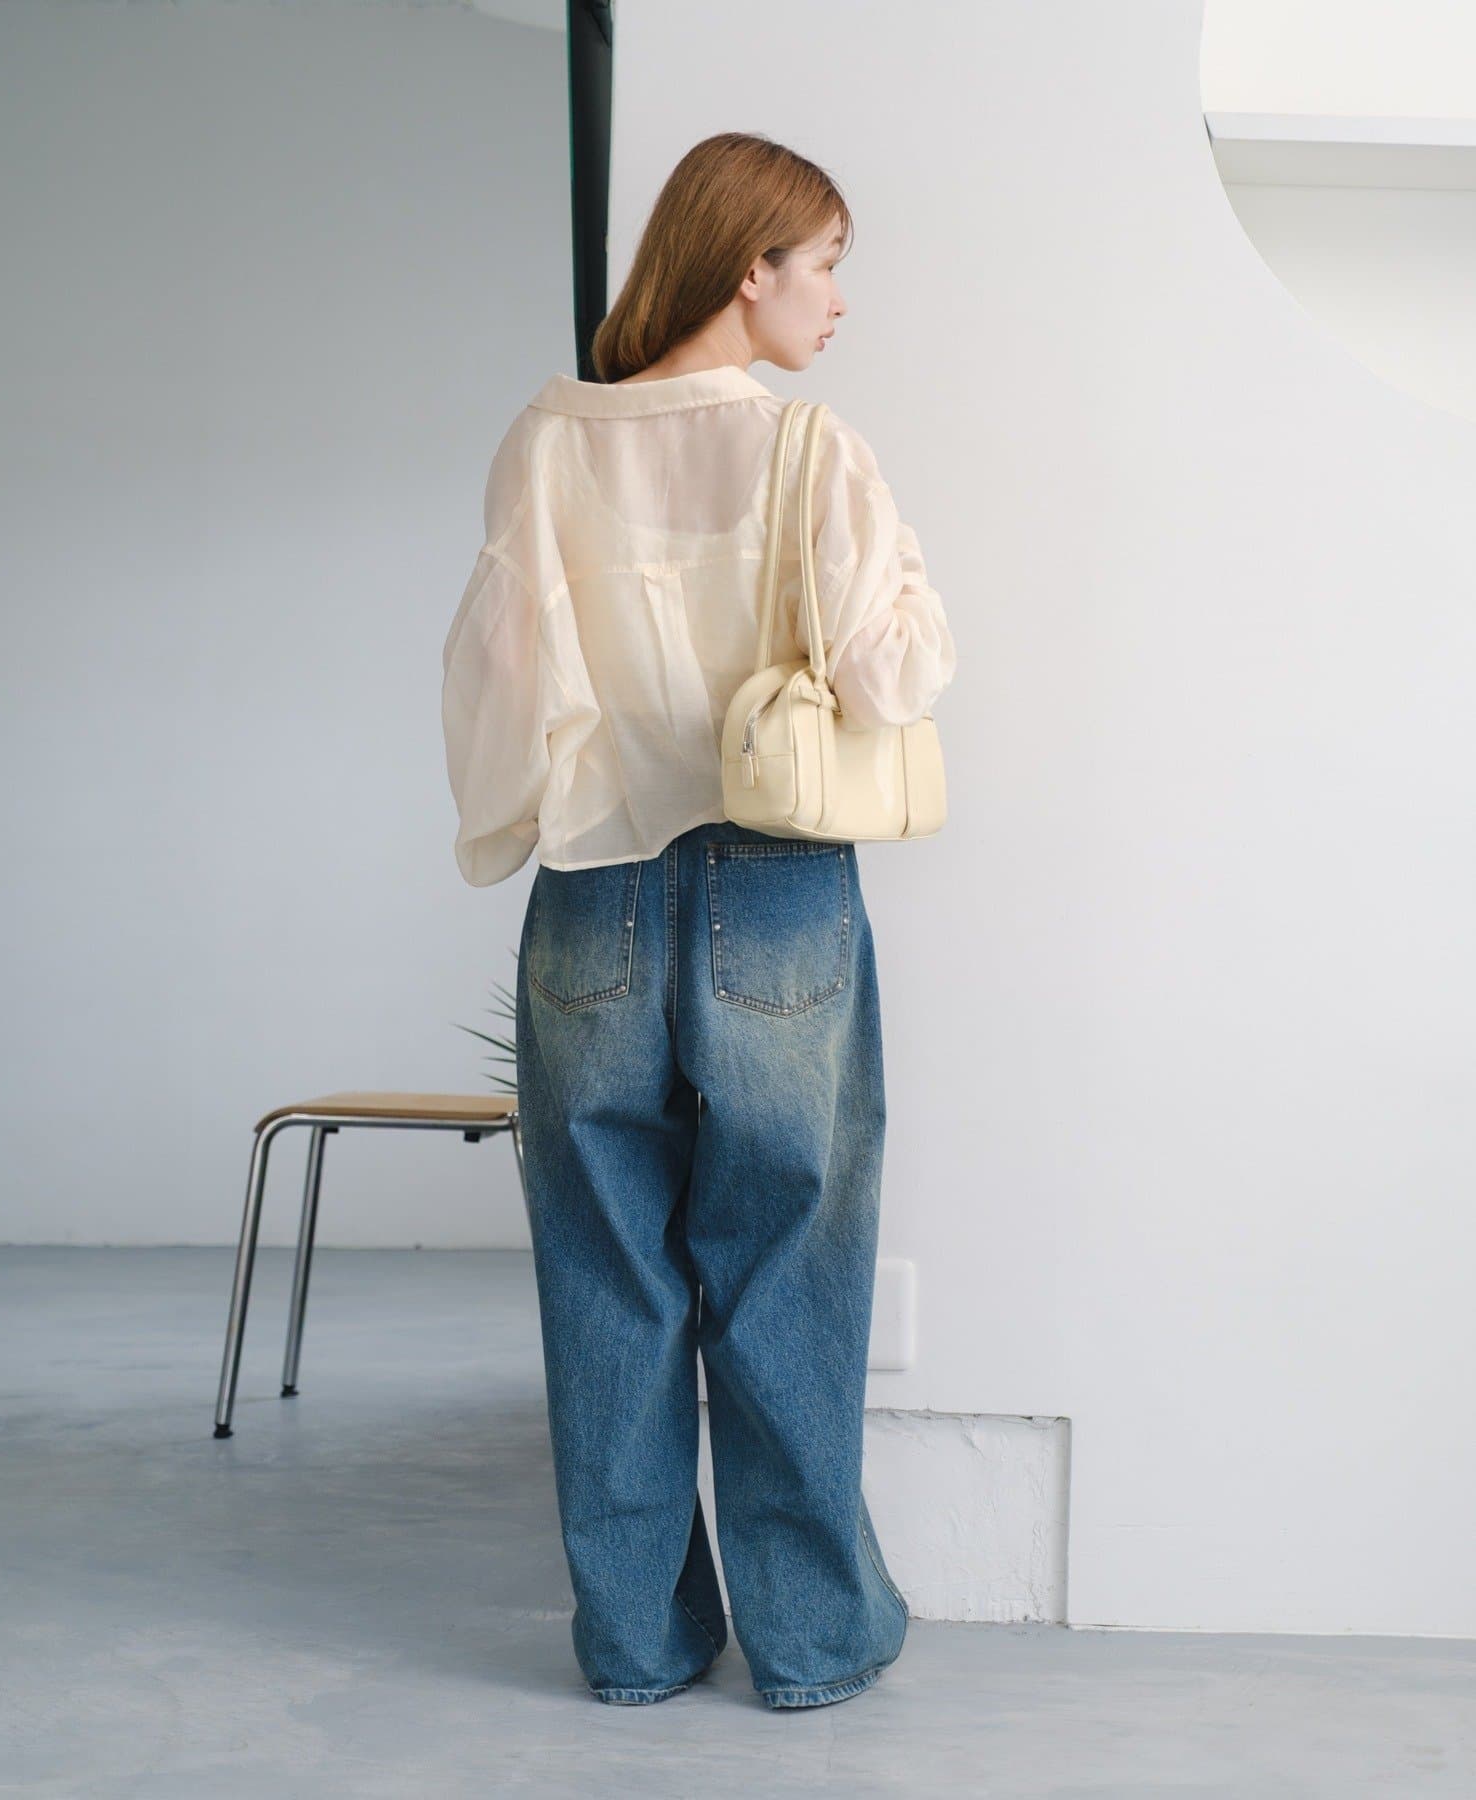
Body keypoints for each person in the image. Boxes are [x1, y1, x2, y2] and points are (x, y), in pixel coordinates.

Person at [440, 131, 956, 1709]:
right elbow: (890, 677)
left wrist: (525, 819)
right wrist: (912, 588)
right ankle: (809, 1640)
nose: (838, 301)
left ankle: (637, 1641)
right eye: (825, 265)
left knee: (606, 1268)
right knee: (787, 1263)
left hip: (588, 889)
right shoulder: (810, 451)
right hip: (775, 888)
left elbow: (496, 675)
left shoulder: (548, 438)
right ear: (752, 267)